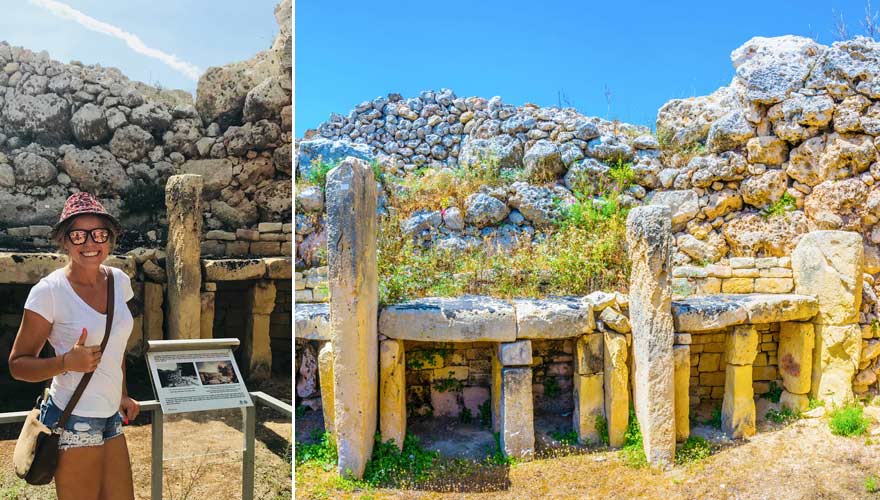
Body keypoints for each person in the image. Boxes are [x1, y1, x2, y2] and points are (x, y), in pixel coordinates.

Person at [8, 192, 139, 500]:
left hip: (110, 417)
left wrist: (121, 393)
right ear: (64, 241)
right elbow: (18, 364)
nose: (90, 243)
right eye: (78, 235)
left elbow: (114, 346)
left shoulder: (119, 281)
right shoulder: (49, 292)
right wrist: (66, 361)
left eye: (99, 234)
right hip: (73, 420)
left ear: (110, 238)